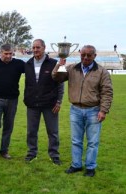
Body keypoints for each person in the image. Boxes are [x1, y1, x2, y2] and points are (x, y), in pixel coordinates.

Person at [52, 45, 113, 177]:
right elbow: (57, 78)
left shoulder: (102, 72)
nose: (85, 58)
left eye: (89, 55)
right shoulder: (72, 68)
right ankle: (76, 165)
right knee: (76, 140)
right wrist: (60, 64)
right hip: (75, 110)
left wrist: (103, 110)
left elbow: (107, 92)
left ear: (94, 56)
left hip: (94, 110)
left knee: (92, 142)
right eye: (83, 55)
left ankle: (90, 167)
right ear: (80, 54)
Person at [23, 39, 64, 165]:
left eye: (38, 47)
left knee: (53, 132)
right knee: (31, 131)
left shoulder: (53, 63)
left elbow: (60, 84)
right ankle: (32, 153)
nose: (35, 50)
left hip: (50, 104)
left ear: (44, 48)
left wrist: (58, 101)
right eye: (33, 47)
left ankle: (54, 155)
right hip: (32, 104)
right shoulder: (28, 63)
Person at [0, 43, 25, 159]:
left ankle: (4, 150)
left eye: (10, 54)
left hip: (12, 99)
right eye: (6, 54)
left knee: (8, 125)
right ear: (0, 53)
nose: (8, 56)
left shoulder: (18, 64)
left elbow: (33, 69)